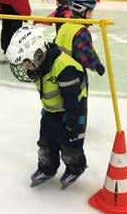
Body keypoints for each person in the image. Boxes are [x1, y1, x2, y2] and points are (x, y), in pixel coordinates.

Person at [6, 26, 88, 189]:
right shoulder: (39, 67)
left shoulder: (66, 68)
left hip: (72, 111)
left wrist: (72, 122)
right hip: (51, 111)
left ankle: (75, 168)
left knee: (69, 145)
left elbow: (72, 100)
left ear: (37, 54)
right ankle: (47, 168)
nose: (24, 68)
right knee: (46, 141)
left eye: (25, 63)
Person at [55, 0, 105, 77]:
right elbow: (85, 56)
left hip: (58, 71)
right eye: (91, 11)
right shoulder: (81, 32)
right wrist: (97, 66)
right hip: (74, 75)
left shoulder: (64, 26)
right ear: (86, 12)